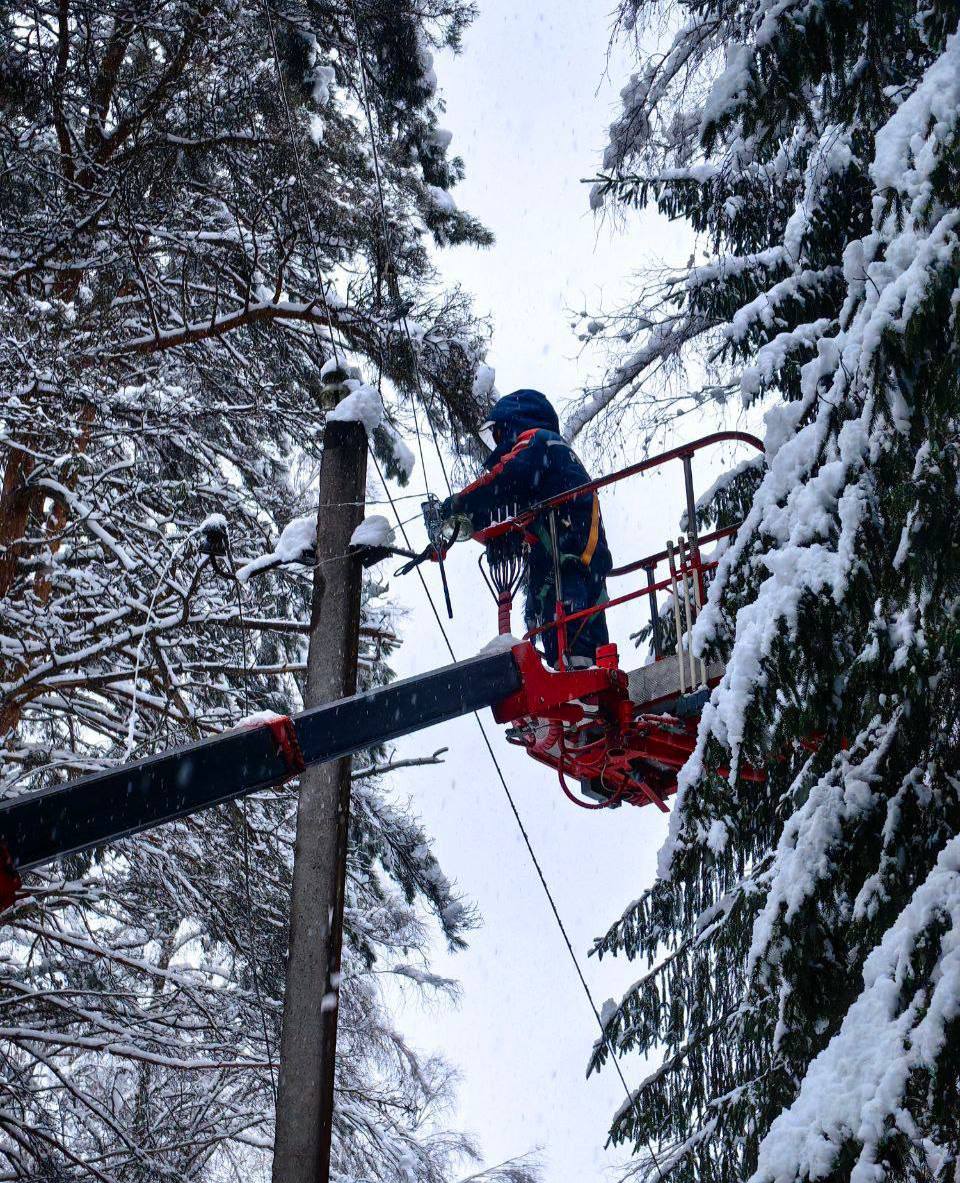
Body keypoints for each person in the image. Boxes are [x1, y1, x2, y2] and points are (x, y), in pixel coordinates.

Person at [440, 389, 612, 667]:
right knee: (583, 637)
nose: (499, 444)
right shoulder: (556, 457)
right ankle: (585, 676)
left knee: (568, 634)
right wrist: (468, 526)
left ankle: (577, 681)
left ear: (513, 421)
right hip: (580, 560)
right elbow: (505, 509)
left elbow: (504, 481)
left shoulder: (537, 441)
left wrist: (459, 503)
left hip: (565, 560)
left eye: (498, 434)